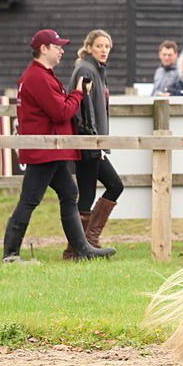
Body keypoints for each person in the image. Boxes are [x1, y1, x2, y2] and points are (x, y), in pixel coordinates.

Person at [2, 29, 116, 263]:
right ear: (44, 49)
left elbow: (58, 107)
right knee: (30, 200)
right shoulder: (38, 77)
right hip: (45, 150)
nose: (62, 50)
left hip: (51, 149)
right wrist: (77, 94)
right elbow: (61, 112)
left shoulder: (42, 75)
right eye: (57, 47)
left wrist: (72, 97)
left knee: (69, 193)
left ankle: (82, 249)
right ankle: (10, 254)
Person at [63, 29, 125, 260]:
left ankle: (81, 247)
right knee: (109, 187)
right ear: (89, 47)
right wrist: (94, 142)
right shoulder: (86, 70)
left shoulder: (96, 70)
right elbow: (82, 109)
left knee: (90, 193)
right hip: (88, 141)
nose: (103, 50)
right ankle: (82, 245)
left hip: (92, 141)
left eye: (107, 47)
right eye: (99, 46)